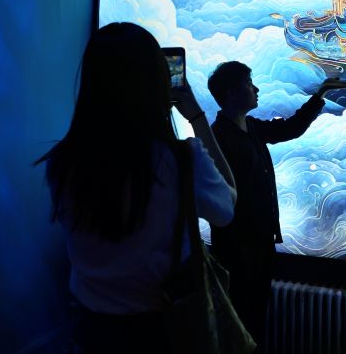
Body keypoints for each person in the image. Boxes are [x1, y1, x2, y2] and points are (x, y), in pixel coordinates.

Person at [37, 23, 237, 354]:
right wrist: (198, 118)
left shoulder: (62, 161)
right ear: (158, 84)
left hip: (90, 331)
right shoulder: (182, 159)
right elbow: (227, 207)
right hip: (159, 333)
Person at [206, 62, 346, 348]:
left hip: (261, 243)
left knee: (256, 317)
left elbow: (290, 128)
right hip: (237, 249)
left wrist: (320, 95)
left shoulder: (251, 127)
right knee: (241, 319)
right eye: (249, 83)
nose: (256, 88)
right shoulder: (218, 138)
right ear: (232, 93)